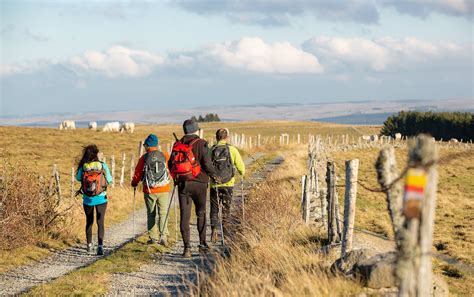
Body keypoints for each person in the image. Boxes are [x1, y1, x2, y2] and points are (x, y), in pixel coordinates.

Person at [169, 118, 218, 258]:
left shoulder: (177, 144)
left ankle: (187, 248)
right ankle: (202, 245)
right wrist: (214, 175)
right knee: (201, 213)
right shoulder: (202, 143)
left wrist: (176, 178)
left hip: (183, 184)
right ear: (196, 129)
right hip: (200, 184)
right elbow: (207, 164)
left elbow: (171, 163)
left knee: (185, 216)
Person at [131, 134, 172, 246]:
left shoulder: (143, 158)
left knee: (151, 213)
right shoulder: (165, 155)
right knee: (163, 213)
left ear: (147, 146)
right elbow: (171, 169)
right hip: (163, 189)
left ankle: (153, 238)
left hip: (149, 190)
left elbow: (138, 174)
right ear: (156, 145)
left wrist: (134, 183)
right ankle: (163, 235)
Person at [210, 128, 245, 243]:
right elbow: (241, 167)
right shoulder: (232, 150)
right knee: (226, 209)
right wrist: (241, 173)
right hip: (228, 184)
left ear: (216, 137)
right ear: (227, 137)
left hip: (214, 184)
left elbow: (207, 166)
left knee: (214, 209)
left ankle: (214, 229)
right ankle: (225, 234)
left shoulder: (211, 150)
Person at [76, 144, 112, 256]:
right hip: (101, 198)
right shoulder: (102, 165)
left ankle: (89, 245)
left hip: (87, 199)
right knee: (100, 222)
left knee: (89, 222)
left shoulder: (84, 167)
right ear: (96, 153)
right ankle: (100, 247)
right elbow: (109, 180)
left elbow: (77, 178)